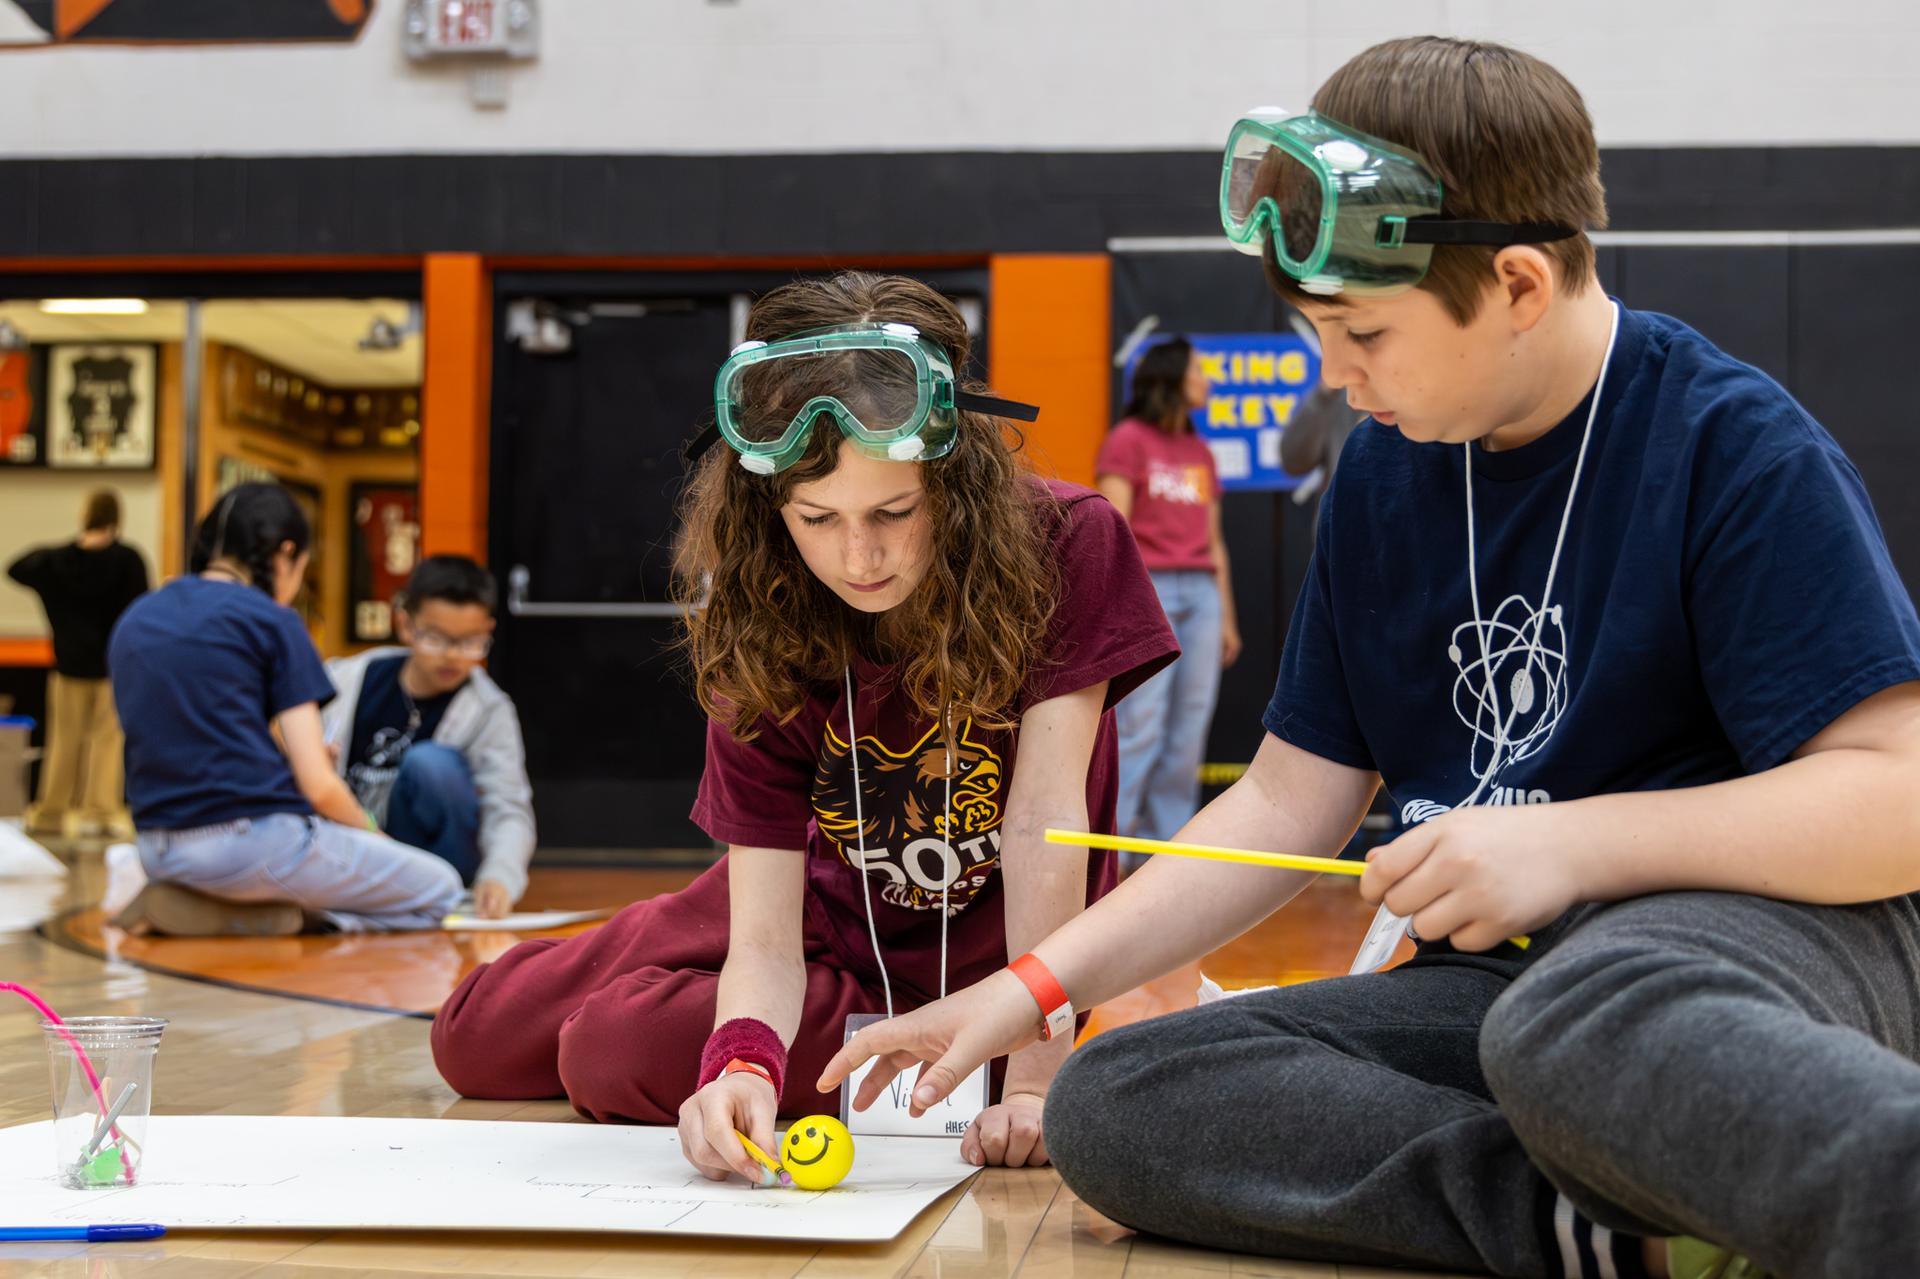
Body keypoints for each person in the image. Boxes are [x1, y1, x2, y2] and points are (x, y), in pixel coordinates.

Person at [822, 37, 1920, 1279]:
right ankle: (1603, 1221)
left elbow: (1897, 797)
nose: (1333, 374)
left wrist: (1570, 844)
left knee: (1574, 1026)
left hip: (1743, 959)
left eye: (1363, 331)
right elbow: (1289, 796)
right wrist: (1027, 990)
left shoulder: (1733, 444)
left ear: (1515, 282)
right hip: (1501, 999)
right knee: (1125, 1094)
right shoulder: (1384, 471)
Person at [431, 272, 1177, 1183]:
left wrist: (1033, 1070)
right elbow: (768, 942)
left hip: (987, 971)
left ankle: (984, 1035)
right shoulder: (762, 603)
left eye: (893, 513)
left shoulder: (1069, 539)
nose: (858, 558)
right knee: (473, 1038)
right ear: (769, 507)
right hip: (809, 907)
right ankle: (668, 950)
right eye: (817, 519)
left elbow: (1042, 820)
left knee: (609, 1048)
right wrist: (741, 1057)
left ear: (957, 478)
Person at [108, 483, 462, 936]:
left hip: (156, 848)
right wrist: (374, 835)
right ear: (286, 553)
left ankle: (222, 909)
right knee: (440, 888)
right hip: (249, 845)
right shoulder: (271, 621)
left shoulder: (138, 616)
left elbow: (186, 734)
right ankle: (291, 920)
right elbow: (320, 788)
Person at [321, 555, 534, 920]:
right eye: (436, 639)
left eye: (470, 642)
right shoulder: (345, 681)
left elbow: (508, 805)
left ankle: (434, 893)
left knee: (432, 764)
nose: (452, 655)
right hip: (350, 845)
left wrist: (499, 878)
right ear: (405, 624)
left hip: (431, 856)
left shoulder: (488, 708)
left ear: (488, 631)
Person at [1096, 337, 1240, 853]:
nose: (1208, 379)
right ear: (1173, 376)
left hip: (1202, 594)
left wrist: (1227, 617)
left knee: (1187, 732)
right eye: (1200, 370)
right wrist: (1120, 612)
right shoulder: (1128, 440)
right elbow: (1115, 533)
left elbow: (1215, 539)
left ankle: (1165, 852)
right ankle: (1113, 852)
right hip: (1149, 587)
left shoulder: (1201, 451)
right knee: (1139, 729)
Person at [6, 488, 148, 840]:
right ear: (116, 519)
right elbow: (142, 609)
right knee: (106, 742)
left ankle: (52, 810)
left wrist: (73, 547)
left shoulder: (57, 562)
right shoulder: (128, 561)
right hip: (112, 669)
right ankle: (98, 810)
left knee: (63, 740)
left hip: (67, 666)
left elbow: (16, 568)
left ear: (86, 516)